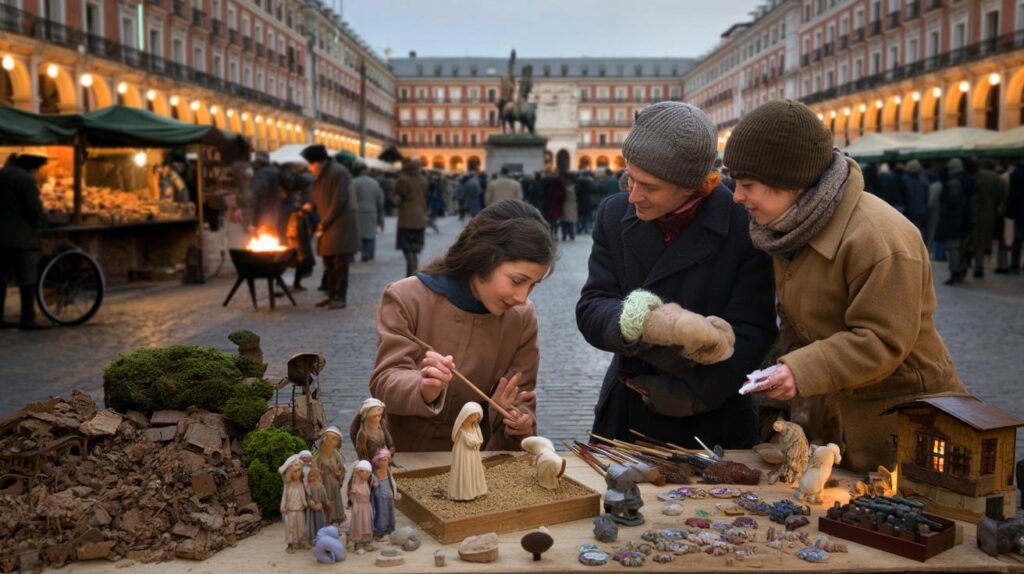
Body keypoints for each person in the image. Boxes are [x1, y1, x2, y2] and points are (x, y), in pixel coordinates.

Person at [724, 99, 966, 473]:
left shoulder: (880, 239)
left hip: (902, 430)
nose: (737, 196)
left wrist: (799, 371)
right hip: (836, 429)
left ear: (790, 183)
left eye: (748, 185)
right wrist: (784, 400)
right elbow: (796, 325)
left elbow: (881, 340)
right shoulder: (789, 229)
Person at [576, 102, 778, 450]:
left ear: (690, 187)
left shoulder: (744, 225)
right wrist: (643, 323)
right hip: (626, 412)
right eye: (630, 177)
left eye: (649, 187)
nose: (633, 195)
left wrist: (693, 395)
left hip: (710, 421)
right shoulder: (613, 213)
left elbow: (754, 332)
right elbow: (592, 306)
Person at [369, 199, 556, 452]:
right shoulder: (408, 297)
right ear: (484, 258)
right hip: (402, 455)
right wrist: (423, 387)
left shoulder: (521, 317)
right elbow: (384, 381)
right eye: (516, 281)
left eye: (532, 285)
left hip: (477, 458)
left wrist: (519, 420)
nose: (522, 297)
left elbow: (521, 396)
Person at [304, 144, 358, 310]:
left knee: (339, 264)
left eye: (310, 164)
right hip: (328, 225)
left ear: (318, 162)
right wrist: (310, 206)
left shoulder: (338, 172)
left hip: (339, 225)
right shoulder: (322, 174)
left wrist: (324, 223)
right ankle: (331, 295)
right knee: (329, 264)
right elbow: (319, 196)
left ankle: (339, 297)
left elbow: (338, 201)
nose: (309, 167)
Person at [0, 149, 49, 330]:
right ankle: (27, 318)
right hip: (20, 237)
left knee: (1, 277)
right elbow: (33, 209)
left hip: (1, 237)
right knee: (27, 277)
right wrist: (42, 222)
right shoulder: (25, 179)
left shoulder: (3, 174)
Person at [937, 158, 972, 285]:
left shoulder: (953, 183)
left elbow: (951, 202)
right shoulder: (968, 179)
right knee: (962, 246)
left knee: (953, 247)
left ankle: (955, 272)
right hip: (966, 218)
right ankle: (962, 269)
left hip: (954, 220)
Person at [391, 158, 428, 277]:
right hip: (420, 218)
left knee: (407, 249)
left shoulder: (403, 180)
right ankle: (414, 272)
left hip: (406, 219)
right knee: (415, 249)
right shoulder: (424, 180)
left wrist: (393, 198)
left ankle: (412, 273)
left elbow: (397, 199)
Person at [352, 161, 385, 262]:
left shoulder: (353, 182)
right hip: (371, 211)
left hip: (357, 211)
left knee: (359, 233)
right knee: (370, 234)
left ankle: (362, 253)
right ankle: (369, 255)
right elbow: (380, 200)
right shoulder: (375, 183)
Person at [285, 197, 315, 291]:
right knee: (293, 263)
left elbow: (307, 231)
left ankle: (297, 283)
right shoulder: (295, 216)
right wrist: (295, 243)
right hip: (296, 244)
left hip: (304, 244)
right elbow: (292, 231)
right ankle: (282, 282)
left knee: (301, 265)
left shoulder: (304, 217)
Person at [1007, 159, 1024, 272]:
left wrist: (1009, 211)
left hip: (1019, 211)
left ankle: (1014, 264)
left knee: (1017, 238)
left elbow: (1012, 194)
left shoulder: (1015, 174)